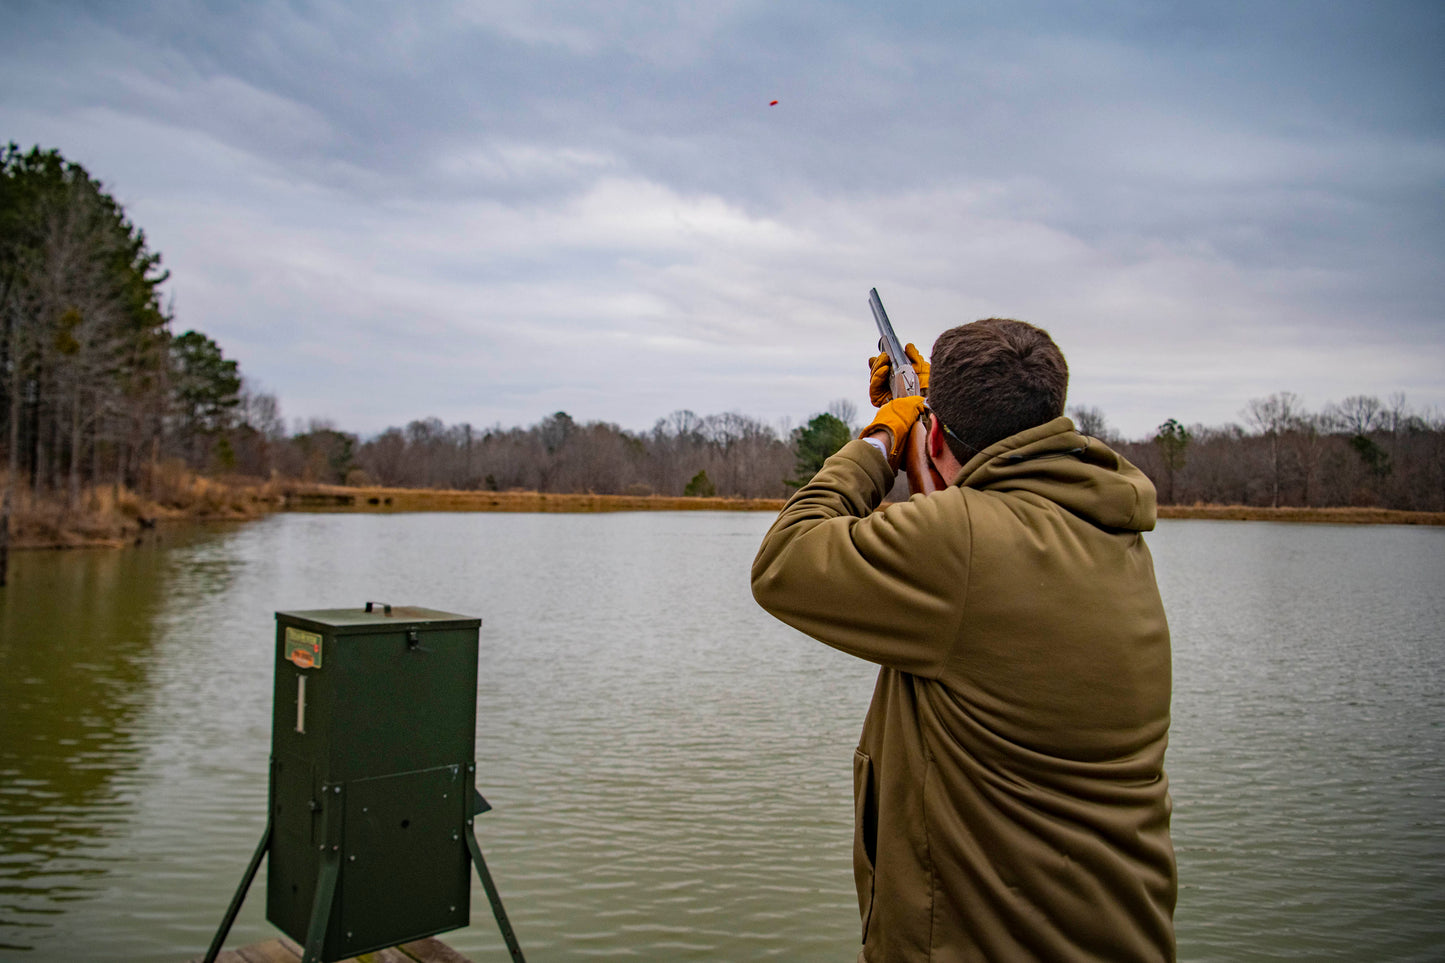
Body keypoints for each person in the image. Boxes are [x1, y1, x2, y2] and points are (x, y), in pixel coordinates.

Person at [751, 318, 1176, 962]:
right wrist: (937, 432)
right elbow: (984, 518)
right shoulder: (1113, 533)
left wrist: (885, 435)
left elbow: (784, 559)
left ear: (942, 435)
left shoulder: (959, 545)